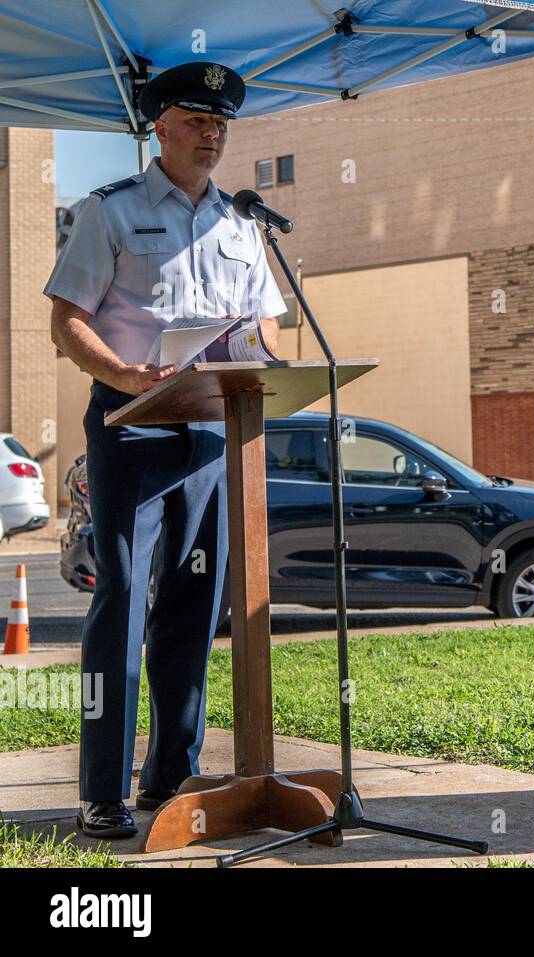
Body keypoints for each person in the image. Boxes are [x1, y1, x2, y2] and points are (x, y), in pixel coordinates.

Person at [45, 61, 286, 839]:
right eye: (198, 120)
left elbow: (267, 327)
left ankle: (170, 777)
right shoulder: (108, 213)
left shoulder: (243, 224)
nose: (213, 134)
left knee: (193, 606)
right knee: (120, 602)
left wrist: (266, 359)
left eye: (221, 123)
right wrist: (122, 372)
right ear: (161, 126)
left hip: (214, 431)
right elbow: (66, 320)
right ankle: (102, 789)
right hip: (133, 425)